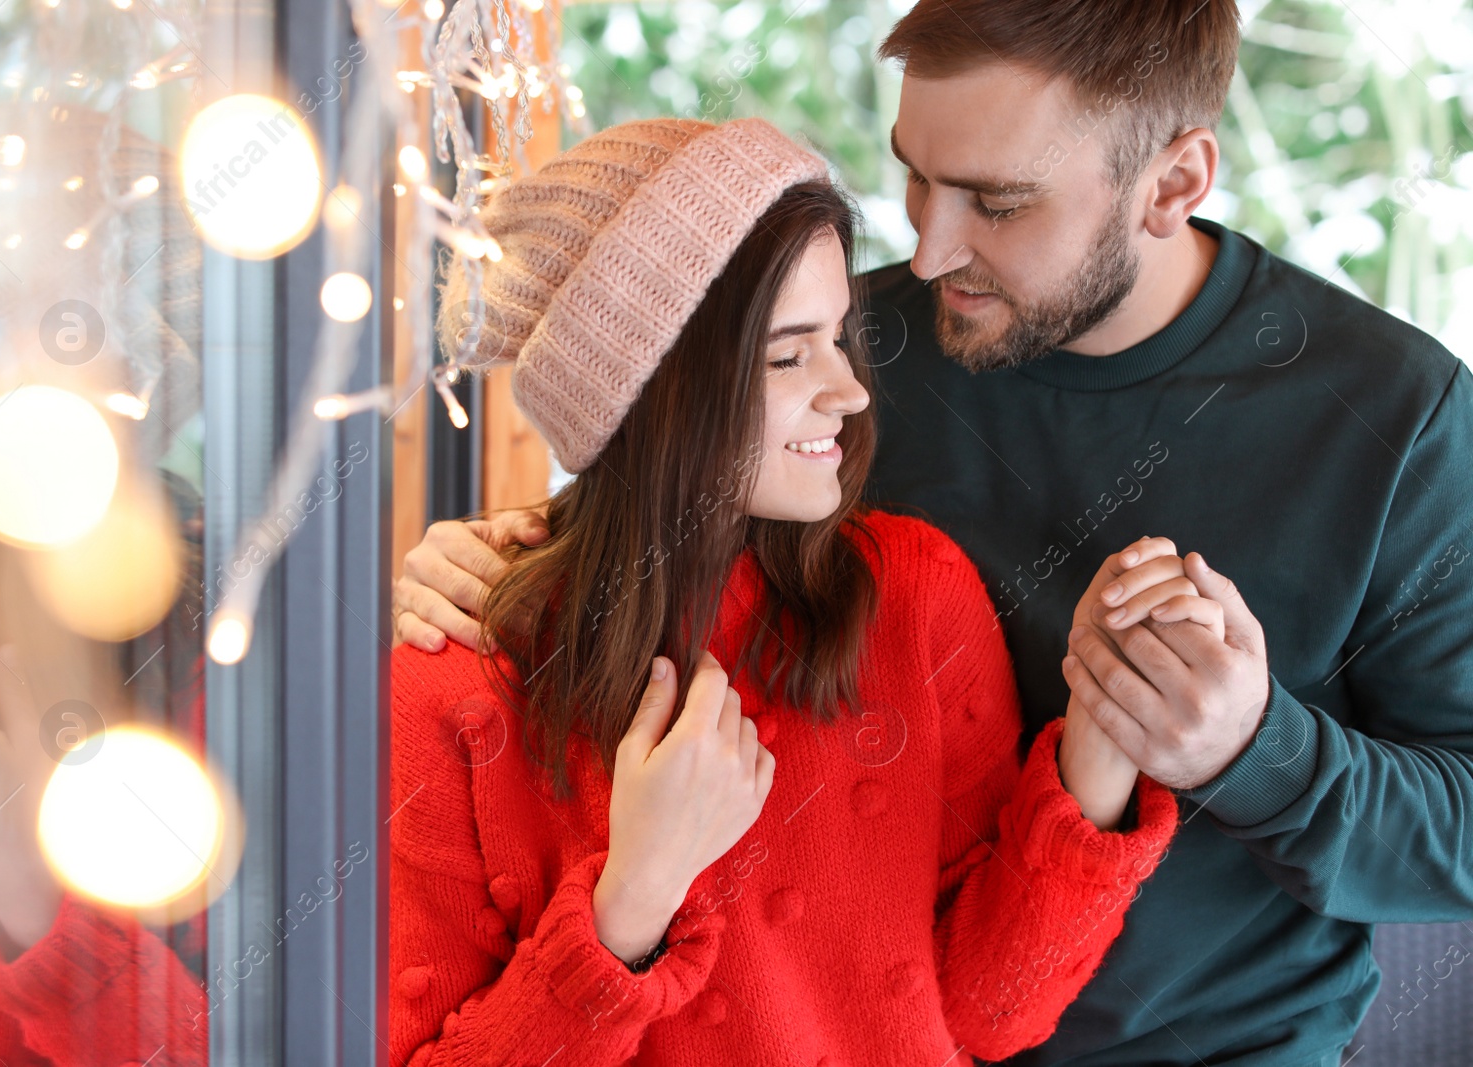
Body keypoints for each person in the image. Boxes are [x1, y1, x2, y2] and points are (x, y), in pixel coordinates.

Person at [392, 3, 1473, 1066]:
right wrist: (513, 556)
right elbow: (664, 458)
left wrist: (1250, 748)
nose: (927, 247)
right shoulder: (854, 345)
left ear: (1175, 183)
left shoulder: (1394, 414)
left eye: (997, 203)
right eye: (915, 175)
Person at [389, 118, 1184, 1066]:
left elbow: (990, 1011)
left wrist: (1099, 743)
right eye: (787, 354)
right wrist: (634, 896)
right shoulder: (456, 680)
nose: (847, 390)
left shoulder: (915, 593)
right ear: (651, 390)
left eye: (840, 337)